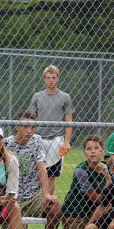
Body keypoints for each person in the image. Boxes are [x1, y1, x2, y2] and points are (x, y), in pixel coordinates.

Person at [3, 110, 63, 229]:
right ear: (17, 126)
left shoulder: (37, 141)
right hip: (13, 198)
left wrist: (46, 194)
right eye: (25, 126)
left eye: (33, 127)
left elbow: (41, 167)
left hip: (33, 196)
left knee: (55, 208)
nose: (29, 130)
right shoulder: (7, 143)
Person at [61, 135, 111, 229]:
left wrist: (108, 177)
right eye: (89, 149)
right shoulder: (81, 170)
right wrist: (110, 196)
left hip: (97, 210)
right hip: (77, 211)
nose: (93, 151)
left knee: (113, 212)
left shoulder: (109, 168)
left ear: (103, 150)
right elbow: (98, 199)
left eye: (96, 148)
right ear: (84, 152)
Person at [29, 65, 74, 195]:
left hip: (57, 138)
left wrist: (66, 141)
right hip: (39, 137)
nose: (51, 80)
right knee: (37, 171)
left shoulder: (65, 97)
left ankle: (48, 204)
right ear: (44, 79)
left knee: (51, 173)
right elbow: (31, 118)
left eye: (54, 77)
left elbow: (69, 121)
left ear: (58, 79)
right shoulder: (37, 96)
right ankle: (36, 200)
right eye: (48, 78)